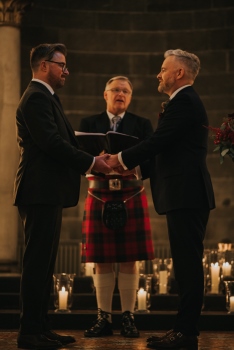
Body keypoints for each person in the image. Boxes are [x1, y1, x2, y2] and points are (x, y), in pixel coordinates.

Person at [107, 50, 215, 349]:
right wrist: (136, 169)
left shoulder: (185, 101)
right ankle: (183, 329)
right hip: (184, 193)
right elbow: (166, 150)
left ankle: (186, 332)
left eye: (164, 68)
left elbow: (157, 142)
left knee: (188, 265)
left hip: (187, 194)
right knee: (185, 264)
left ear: (179, 73)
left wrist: (118, 159)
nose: (159, 73)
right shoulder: (183, 102)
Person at [13, 43, 112, 350]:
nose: (66, 71)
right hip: (39, 189)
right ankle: (29, 333)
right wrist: (92, 162)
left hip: (48, 189)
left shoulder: (46, 97)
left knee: (45, 265)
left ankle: (42, 328)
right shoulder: (35, 98)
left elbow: (60, 140)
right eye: (62, 65)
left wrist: (90, 152)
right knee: (37, 264)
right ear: (44, 65)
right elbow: (52, 143)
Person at [79, 76, 155, 338]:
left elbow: (152, 157)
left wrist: (130, 165)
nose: (120, 94)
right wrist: (94, 161)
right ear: (105, 94)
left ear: (130, 97)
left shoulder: (142, 124)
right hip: (99, 193)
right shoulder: (88, 124)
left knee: (129, 259)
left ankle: (128, 317)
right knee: (100, 260)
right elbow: (77, 156)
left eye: (125, 91)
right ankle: (104, 318)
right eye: (115, 90)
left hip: (130, 193)